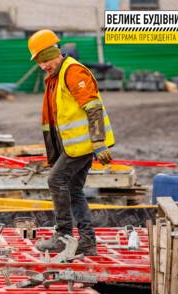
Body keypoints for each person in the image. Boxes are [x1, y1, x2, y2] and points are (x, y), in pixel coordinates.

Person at [28, 29, 115, 256]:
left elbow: (93, 107)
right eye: (40, 62)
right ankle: (86, 241)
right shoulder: (55, 77)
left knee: (56, 180)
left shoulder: (73, 72)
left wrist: (98, 142)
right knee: (74, 189)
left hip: (83, 145)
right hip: (73, 146)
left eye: (46, 60)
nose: (44, 66)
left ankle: (63, 236)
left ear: (56, 54)